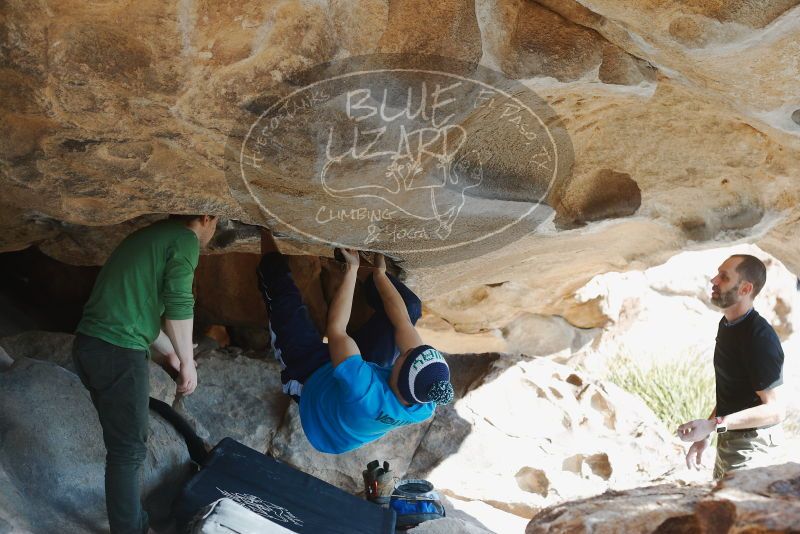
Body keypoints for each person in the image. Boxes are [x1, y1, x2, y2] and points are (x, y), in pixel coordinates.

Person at [73, 214, 217, 534]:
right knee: (128, 451)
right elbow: (180, 302)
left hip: (91, 344)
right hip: (118, 352)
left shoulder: (151, 237)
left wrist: (170, 352)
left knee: (123, 446)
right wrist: (188, 361)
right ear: (208, 218)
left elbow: (135, 310)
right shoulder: (185, 239)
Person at [256, 228, 454, 454]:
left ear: (399, 371)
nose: (405, 350)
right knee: (409, 309)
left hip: (312, 383)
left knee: (283, 300)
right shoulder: (425, 400)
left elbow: (337, 331)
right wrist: (379, 274)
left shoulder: (364, 390)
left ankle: (264, 232)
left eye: (405, 355)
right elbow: (403, 324)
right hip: (365, 381)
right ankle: (366, 274)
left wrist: (351, 271)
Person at [677, 254, 786, 480]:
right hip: (730, 436)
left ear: (745, 288)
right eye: (718, 273)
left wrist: (714, 425)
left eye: (724, 277)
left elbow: (775, 411)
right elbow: (734, 390)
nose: (714, 280)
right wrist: (707, 431)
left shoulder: (759, 337)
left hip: (753, 445)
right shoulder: (727, 324)